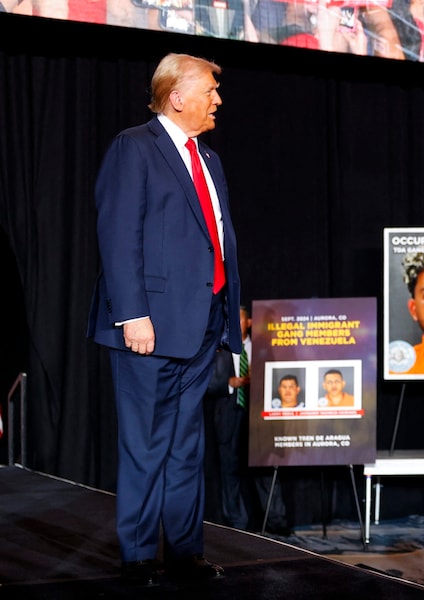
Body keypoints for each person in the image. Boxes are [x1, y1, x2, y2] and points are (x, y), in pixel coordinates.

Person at [86, 53, 241, 586]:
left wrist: (228, 314)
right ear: (178, 97)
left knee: (185, 444)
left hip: (201, 325)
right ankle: (136, 558)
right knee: (145, 444)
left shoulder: (210, 159)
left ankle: (183, 551)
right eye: (210, 91)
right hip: (148, 327)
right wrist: (133, 315)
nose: (217, 100)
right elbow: (118, 236)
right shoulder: (136, 148)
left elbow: (218, 242)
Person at [203, 306, 251, 530]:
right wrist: (229, 384)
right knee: (229, 470)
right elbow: (208, 385)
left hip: (258, 421)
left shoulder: (258, 349)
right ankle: (236, 521)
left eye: (238, 319)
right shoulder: (219, 350)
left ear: (248, 322)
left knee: (256, 470)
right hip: (228, 417)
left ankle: (273, 520)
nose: (233, 324)